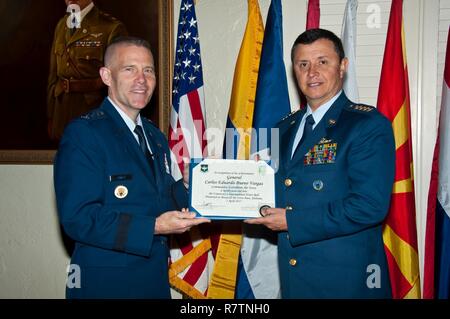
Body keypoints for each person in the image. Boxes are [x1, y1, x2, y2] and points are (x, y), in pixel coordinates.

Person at [54, 36, 210, 299]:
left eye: (148, 70)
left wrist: (185, 185)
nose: (142, 79)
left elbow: (159, 201)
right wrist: (153, 227)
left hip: (153, 282)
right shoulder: (85, 133)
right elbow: (78, 218)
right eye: (130, 69)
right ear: (106, 76)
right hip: (106, 285)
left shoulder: (154, 136)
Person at [246, 28, 395, 298]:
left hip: (346, 283)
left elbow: (369, 206)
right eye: (303, 64)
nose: (311, 72)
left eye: (322, 62)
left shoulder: (367, 126)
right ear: (294, 71)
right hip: (294, 281)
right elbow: (278, 188)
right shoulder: (283, 128)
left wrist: (293, 222)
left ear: (342, 67)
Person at [47, 0, 128, 140]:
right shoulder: (61, 25)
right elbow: (53, 76)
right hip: (61, 112)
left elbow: (121, 82)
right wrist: (50, 115)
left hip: (93, 112)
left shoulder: (111, 28)